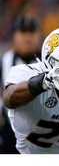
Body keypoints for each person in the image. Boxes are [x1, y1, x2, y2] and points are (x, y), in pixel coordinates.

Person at [0, 15, 42, 154]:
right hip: (10, 128)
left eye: (31, 32)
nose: (27, 38)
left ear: (38, 35)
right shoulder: (4, 60)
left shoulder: (47, 60)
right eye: (23, 32)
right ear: (15, 36)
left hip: (41, 128)